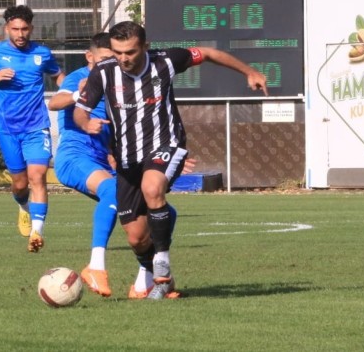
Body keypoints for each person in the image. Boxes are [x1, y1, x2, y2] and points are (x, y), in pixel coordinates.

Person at [74, 21, 268, 300]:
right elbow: (80, 110)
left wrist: (249, 71)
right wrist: (86, 123)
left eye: (130, 52)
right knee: (136, 238)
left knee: (152, 188)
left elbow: (208, 53)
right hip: (127, 159)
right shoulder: (103, 72)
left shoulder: (165, 61)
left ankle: (162, 261)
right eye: (117, 52)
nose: (123, 58)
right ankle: (158, 280)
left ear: (145, 46)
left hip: (166, 144)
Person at [0, 5, 64, 253]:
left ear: (31, 28)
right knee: (20, 184)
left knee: (38, 177)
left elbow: (58, 76)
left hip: (37, 126)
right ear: (7, 29)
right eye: (16, 29)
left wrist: (72, 92)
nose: (20, 34)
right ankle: (23, 206)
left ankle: (37, 232)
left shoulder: (42, 53)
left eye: (25, 29)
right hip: (7, 128)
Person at [48, 32, 118, 297]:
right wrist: (80, 94)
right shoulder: (79, 77)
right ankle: (95, 267)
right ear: (90, 57)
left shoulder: (117, 82)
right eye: (104, 59)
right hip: (75, 155)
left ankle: (149, 280)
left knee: (150, 211)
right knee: (112, 190)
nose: (109, 64)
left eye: (114, 59)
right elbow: (55, 102)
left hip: (101, 158)